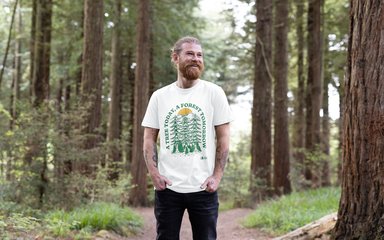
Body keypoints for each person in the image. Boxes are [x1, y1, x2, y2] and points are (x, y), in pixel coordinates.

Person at [142, 36, 233, 240]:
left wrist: (216, 177)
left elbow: (224, 138)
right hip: (168, 188)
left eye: (199, 55)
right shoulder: (160, 96)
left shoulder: (214, 93)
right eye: (190, 54)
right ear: (175, 57)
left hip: (204, 188)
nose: (196, 58)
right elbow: (149, 139)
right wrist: (154, 174)